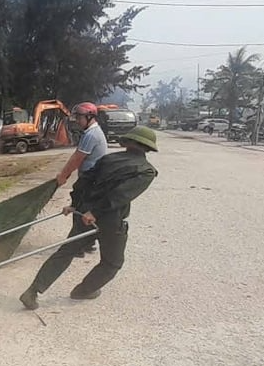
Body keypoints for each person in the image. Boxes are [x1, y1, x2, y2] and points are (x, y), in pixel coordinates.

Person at [19, 126, 159, 310]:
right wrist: (95, 213)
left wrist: (75, 204)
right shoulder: (146, 170)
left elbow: (83, 181)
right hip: (109, 220)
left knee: (66, 253)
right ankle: (83, 291)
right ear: (147, 147)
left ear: (128, 142)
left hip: (84, 213)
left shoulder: (108, 159)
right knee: (112, 262)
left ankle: (32, 292)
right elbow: (120, 195)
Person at [55, 102, 109, 255]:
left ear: (89, 117)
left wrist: (63, 176)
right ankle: (87, 243)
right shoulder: (92, 132)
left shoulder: (91, 134)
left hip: (89, 181)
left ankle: (77, 247)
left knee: (80, 212)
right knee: (84, 211)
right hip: (91, 179)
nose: (77, 121)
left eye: (79, 117)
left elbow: (77, 158)